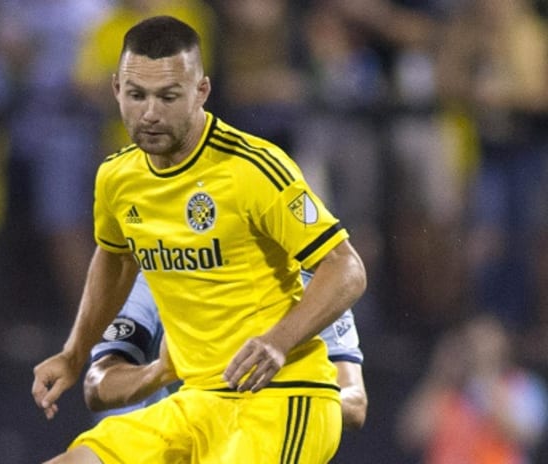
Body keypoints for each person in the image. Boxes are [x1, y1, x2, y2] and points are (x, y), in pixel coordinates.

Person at [31, 15, 367, 463]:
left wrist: (278, 341)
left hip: (283, 398)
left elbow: (347, 267)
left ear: (201, 92)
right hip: (198, 402)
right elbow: (115, 259)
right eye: (137, 96)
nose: (149, 113)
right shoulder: (117, 178)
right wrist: (73, 356)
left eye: (168, 97)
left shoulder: (253, 169)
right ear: (116, 90)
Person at [84, 271, 368, 431]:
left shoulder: (317, 285)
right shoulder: (155, 278)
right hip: (170, 445)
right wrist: (160, 371)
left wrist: (286, 395)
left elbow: (355, 403)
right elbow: (97, 385)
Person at [396, 313, 548, 463]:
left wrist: (486, 377)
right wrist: (441, 375)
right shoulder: (448, 389)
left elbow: (523, 436)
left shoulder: (522, 386)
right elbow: (410, 435)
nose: (479, 349)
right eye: (473, 343)